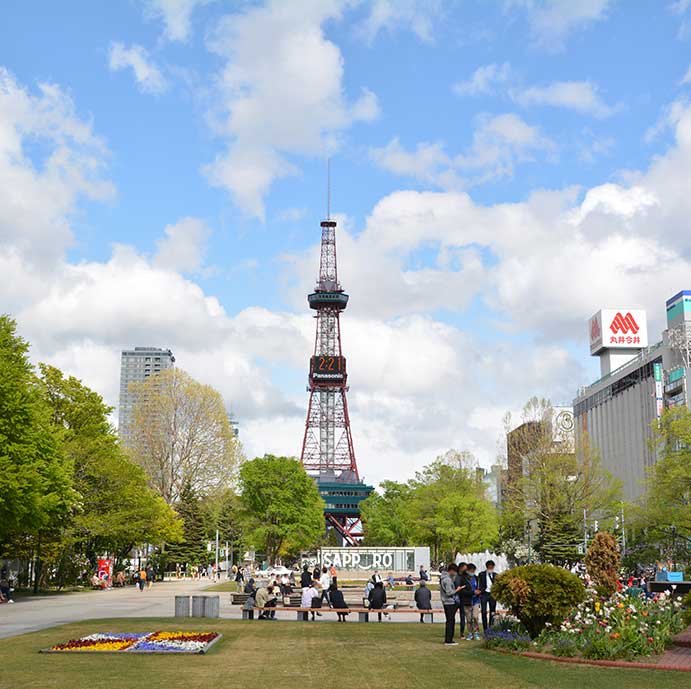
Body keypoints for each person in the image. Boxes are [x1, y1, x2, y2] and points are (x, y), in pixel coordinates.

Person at [440, 563, 462, 645]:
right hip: (449, 602)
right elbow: (449, 593)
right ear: (452, 571)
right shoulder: (447, 580)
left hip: (446, 602)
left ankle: (449, 639)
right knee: (450, 621)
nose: (455, 573)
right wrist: (457, 590)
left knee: (450, 620)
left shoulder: (444, 578)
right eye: (455, 571)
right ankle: (448, 640)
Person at [461, 563, 481, 640]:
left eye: (474, 571)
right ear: (468, 570)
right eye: (471, 571)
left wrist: (479, 592)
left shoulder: (476, 578)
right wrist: (473, 592)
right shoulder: (463, 579)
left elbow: (480, 587)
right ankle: (470, 633)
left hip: (475, 601)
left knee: (475, 617)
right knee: (469, 618)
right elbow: (462, 591)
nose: (472, 572)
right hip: (467, 601)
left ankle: (476, 632)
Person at [479, 560, 497, 632]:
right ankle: (485, 628)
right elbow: (479, 583)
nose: (491, 569)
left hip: (492, 594)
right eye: (489, 567)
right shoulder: (481, 574)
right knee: (483, 611)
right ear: (487, 567)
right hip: (484, 594)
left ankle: (491, 627)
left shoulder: (496, 575)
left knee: (492, 612)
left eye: (492, 567)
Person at [455, 562, 468, 638]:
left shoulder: (465, 576)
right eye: (465, 568)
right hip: (456, 597)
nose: (466, 569)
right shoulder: (455, 576)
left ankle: (462, 632)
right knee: (452, 615)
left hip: (463, 598)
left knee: (462, 616)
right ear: (461, 568)